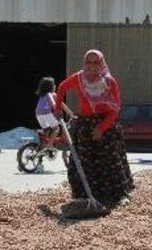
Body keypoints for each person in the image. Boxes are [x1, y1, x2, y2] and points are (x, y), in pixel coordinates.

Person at [53, 50, 134, 206]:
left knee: (110, 161)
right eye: (88, 62)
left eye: (95, 62)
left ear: (101, 63)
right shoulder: (78, 78)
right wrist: (58, 108)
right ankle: (83, 195)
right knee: (82, 162)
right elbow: (62, 87)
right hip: (84, 126)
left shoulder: (109, 82)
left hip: (106, 126)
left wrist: (101, 128)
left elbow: (115, 109)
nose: (91, 66)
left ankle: (118, 195)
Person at [34, 77, 62, 143]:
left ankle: (43, 146)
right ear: (51, 87)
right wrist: (59, 111)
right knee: (56, 128)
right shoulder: (51, 94)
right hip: (46, 113)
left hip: (38, 114)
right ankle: (50, 145)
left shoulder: (42, 95)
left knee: (47, 129)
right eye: (54, 84)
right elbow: (56, 105)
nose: (55, 85)